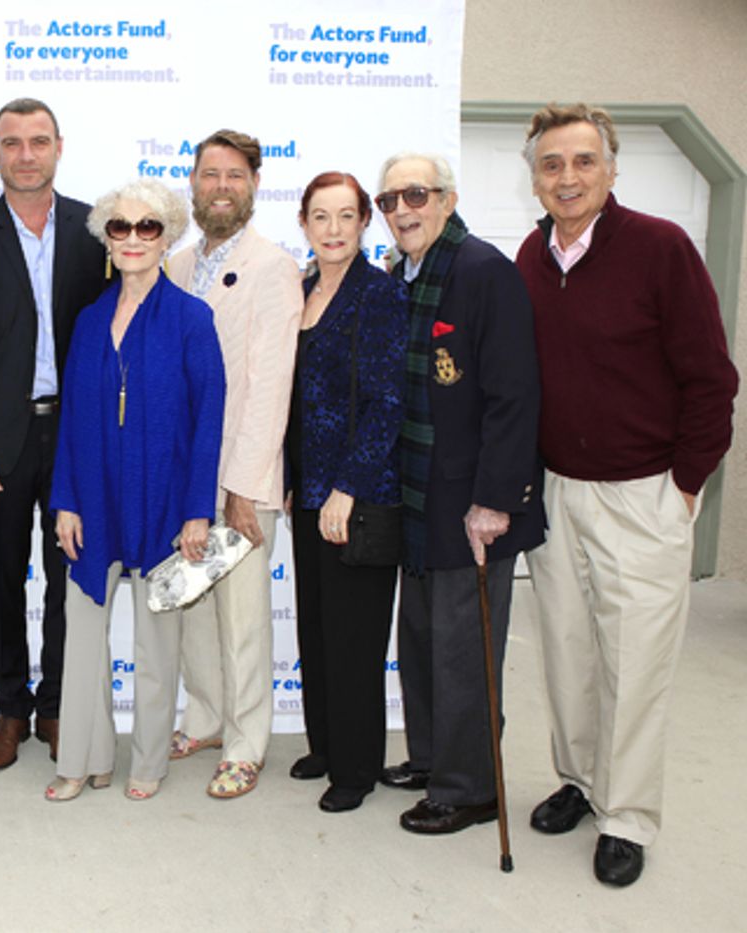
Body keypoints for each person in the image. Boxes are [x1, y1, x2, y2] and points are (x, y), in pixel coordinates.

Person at [515, 104, 738, 886]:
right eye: (551, 164)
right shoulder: (530, 257)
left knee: (636, 663)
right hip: (557, 491)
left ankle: (628, 816)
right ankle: (581, 781)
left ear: (610, 170)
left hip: (644, 494)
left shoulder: (659, 248)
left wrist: (683, 486)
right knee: (570, 652)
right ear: (534, 176)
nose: (567, 177)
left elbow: (711, 380)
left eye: (582, 161)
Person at [375, 153, 545, 834]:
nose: (402, 210)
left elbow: (514, 396)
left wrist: (496, 499)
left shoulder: (484, 273)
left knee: (464, 650)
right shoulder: (402, 275)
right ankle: (430, 758)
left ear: (446, 199)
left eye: (416, 194)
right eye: (389, 200)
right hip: (418, 496)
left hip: (472, 504)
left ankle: (470, 787)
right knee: (420, 639)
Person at [0, 98, 107, 770]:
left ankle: (58, 705)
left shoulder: (96, 229)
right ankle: (10, 707)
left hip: (74, 439)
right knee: (1, 579)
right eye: (13, 142)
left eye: (39, 141)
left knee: (69, 579)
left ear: (59, 147)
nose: (26, 154)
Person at [47, 178, 225, 803]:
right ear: (106, 238)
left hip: (163, 501)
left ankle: (147, 762)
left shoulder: (191, 318)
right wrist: (65, 498)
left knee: (156, 646)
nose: (132, 238)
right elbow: (71, 418)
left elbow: (210, 422)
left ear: (168, 235)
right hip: (93, 498)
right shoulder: (91, 320)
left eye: (146, 227)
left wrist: (198, 511)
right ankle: (82, 760)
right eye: (118, 227)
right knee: (83, 638)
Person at [169, 129, 301, 799]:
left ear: (253, 186)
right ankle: (207, 717)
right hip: (185, 478)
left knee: (244, 622)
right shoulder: (174, 261)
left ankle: (247, 742)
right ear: (192, 184)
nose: (221, 185)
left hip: (238, 481)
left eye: (234, 175)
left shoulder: (274, 266)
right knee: (192, 611)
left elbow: (271, 384)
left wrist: (243, 487)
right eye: (209, 174)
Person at [286, 172, 406, 812]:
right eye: (320, 217)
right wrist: (288, 479)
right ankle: (326, 744)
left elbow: (388, 404)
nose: (333, 229)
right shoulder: (300, 290)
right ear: (304, 223)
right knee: (318, 627)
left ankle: (357, 769)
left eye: (345, 217)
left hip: (356, 496)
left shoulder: (380, 295)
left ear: (364, 223)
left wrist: (346, 489)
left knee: (356, 635)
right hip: (305, 490)